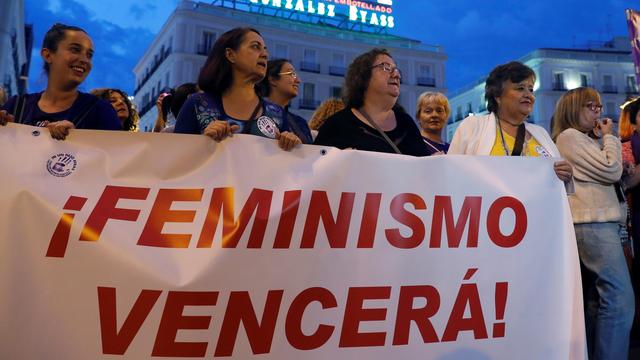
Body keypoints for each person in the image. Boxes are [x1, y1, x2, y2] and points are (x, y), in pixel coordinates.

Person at [553, 87, 634, 360]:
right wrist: (609, 138)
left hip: (598, 222)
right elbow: (611, 169)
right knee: (620, 300)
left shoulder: (583, 139)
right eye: (591, 106)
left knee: (598, 300)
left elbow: (608, 174)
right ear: (573, 108)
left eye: (599, 106)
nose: (598, 112)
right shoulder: (570, 137)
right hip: (594, 223)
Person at [174, 27, 301, 151]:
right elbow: (175, 156)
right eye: (255, 47)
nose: (265, 54)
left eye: (265, 50)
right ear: (230, 54)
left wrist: (293, 145)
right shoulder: (198, 104)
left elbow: (287, 167)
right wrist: (204, 141)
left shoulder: (277, 113)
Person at [448, 61, 572, 183]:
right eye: (520, 88)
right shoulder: (473, 126)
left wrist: (565, 175)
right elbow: (450, 172)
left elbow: (558, 181)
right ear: (498, 96)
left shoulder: (541, 133)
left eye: (531, 89)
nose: (528, 95)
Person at [0, 23, 121, 138]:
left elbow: (119, 155)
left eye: (89, 55)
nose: (85, 60)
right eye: (75, 50)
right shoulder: (16, 106)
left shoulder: (100, 111)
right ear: (47, 55)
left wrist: (78, 138)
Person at [314, 48, 429, 156]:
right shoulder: (337, 125)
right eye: (386, 67)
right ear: (363, 76)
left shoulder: (406, 124)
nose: (397, 75)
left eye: (397, 70)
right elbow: (317, 170)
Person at [257, 59, 312, 143]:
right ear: (273, 80)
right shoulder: (254, 114)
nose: (298, 81)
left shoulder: (301, 123)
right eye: (291, 74)